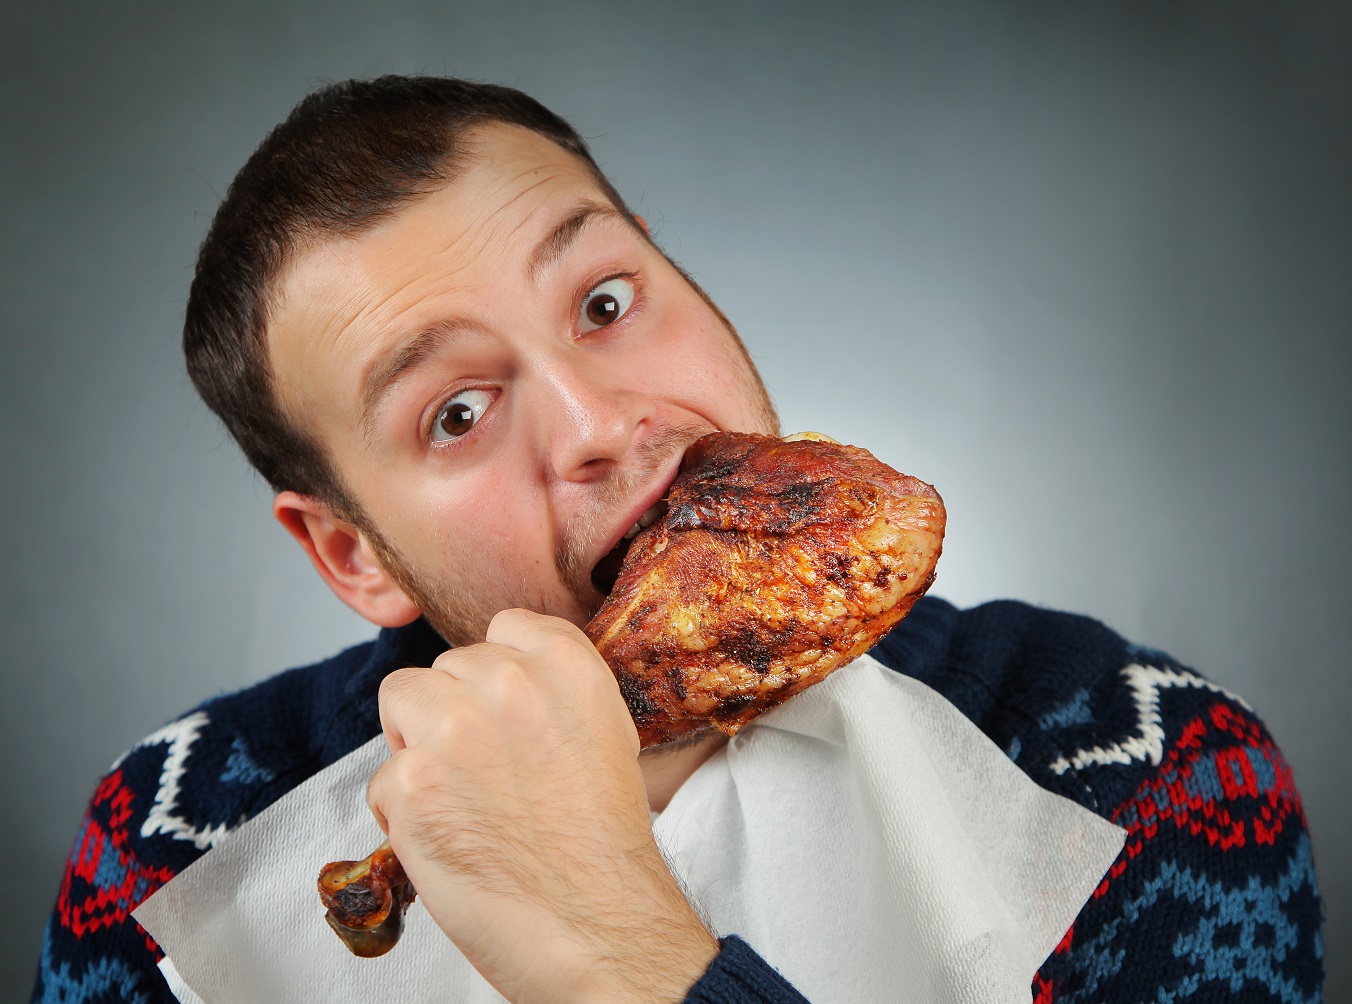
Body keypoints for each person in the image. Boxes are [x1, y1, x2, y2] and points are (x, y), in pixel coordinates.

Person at [31, 76, 1323, 1003]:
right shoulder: (173, 845)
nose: (603, 422)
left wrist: (616, 953)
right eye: (458, 411)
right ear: (352, 552)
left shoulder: (1143, 758)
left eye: (604, 302)